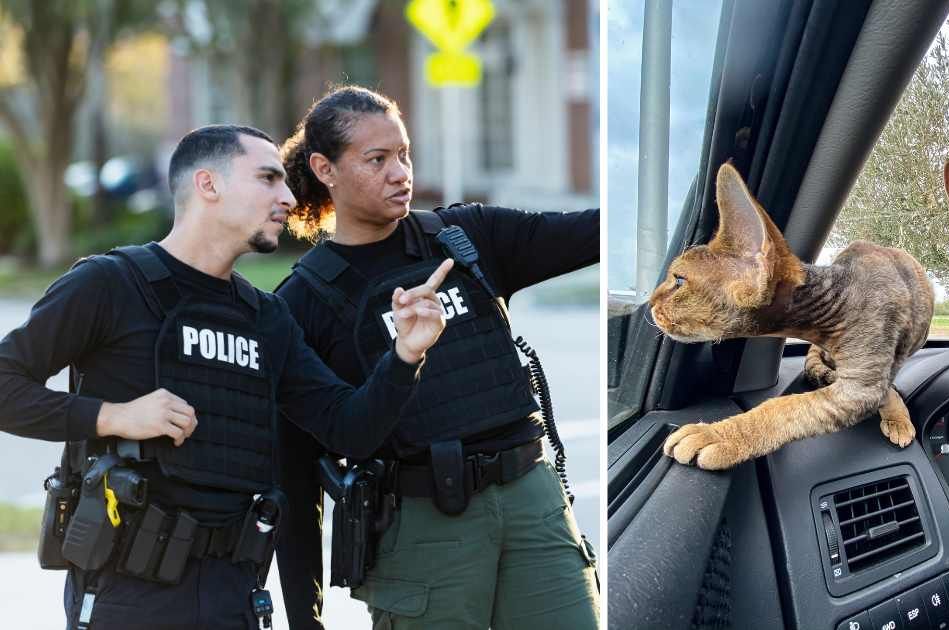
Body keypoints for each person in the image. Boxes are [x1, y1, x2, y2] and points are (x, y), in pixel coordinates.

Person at [0, 124, 453, 630]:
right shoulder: (110, 284)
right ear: (207, 185)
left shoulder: (266, 318)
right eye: (267, 179)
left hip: (233, 593)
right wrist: (112, 416)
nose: (287, 197)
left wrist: (405, 356)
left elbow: (349, 428)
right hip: (128, 593)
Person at [274, 85, 600, 629]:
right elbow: (295, 478)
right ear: (324, 169)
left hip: (533, 503)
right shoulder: (301, 303)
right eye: (376, 160)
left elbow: (592, 231)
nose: (400, 173)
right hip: (422, 530)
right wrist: (306, 620)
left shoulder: (466, 236)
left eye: (403, 154)